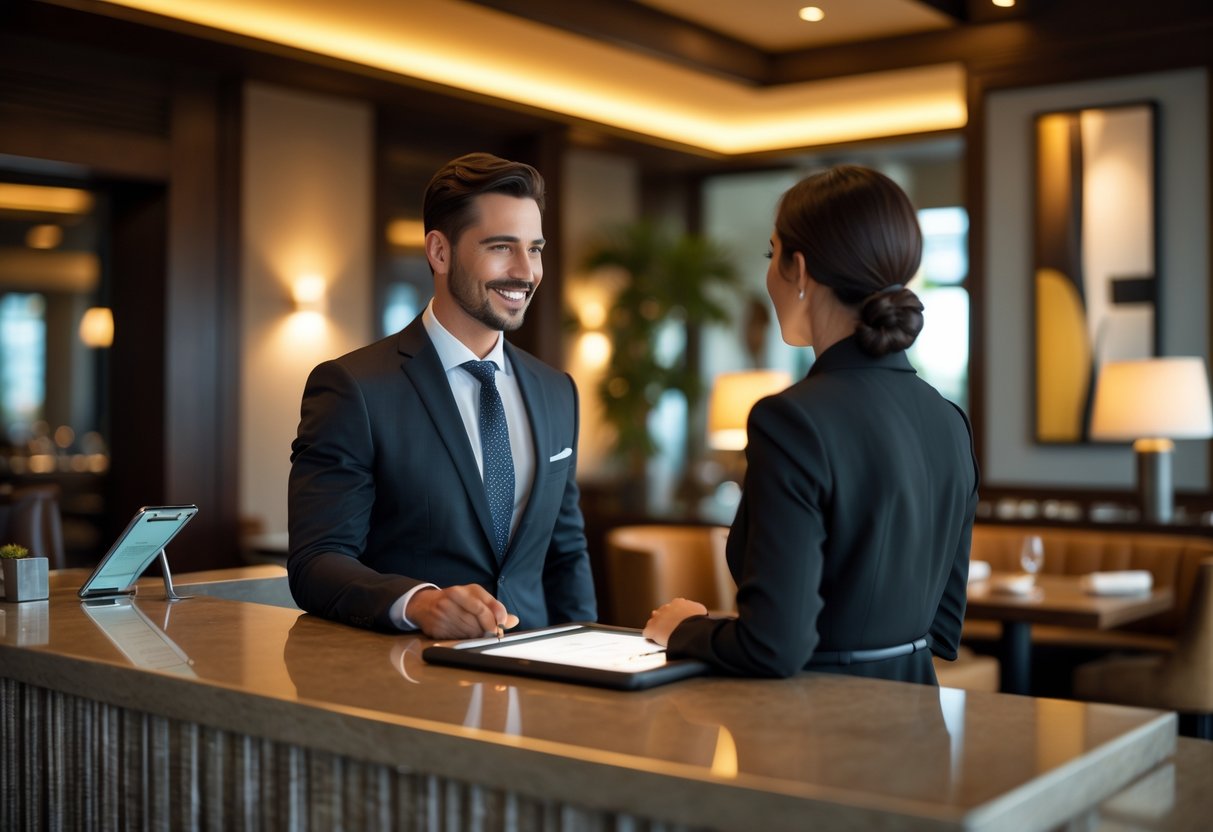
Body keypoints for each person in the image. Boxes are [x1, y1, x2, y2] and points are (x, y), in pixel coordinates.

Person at [644, 165, 979, 684]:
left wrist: (685, 628)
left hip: (815, 735)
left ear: (798, 268)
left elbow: (772, 648)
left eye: (769, 253)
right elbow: (943, 626)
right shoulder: (949, 420)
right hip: (917, 721)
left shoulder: (790, 420)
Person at [288, 152, 596, 638]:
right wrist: (419, 603)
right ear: (439, 252)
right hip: (414, 682)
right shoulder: (355, 388)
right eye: (501, 247)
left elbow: (567, 554)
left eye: (534, 249)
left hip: (540, 689)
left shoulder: (558, 391)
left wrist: (588, 671)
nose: (525, 271)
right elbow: (316, 562)